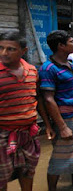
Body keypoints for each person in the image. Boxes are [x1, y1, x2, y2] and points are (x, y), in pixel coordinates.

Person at [39, 30, 73, 190]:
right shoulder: (48, 68)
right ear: (61, 46)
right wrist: (61, 126)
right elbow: (48, 99)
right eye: (71, 42)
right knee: (60, 158)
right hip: (65, 118)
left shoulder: (72, 64)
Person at [0, 32, 44, 191]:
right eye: (1, 48)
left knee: (27, 171)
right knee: (1, 176)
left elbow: (37, 99)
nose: (4, 53)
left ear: (23, 51)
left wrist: (48, 126)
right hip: (2, 134)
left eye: (10, 49)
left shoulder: (32, 71)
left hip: (28, 134)